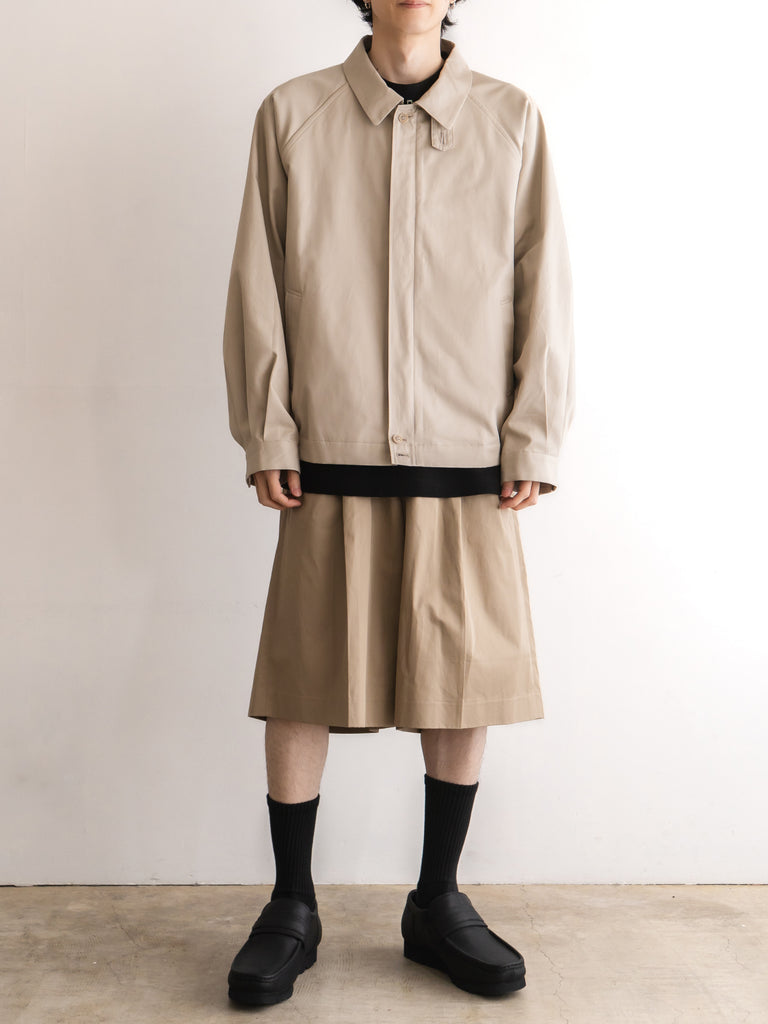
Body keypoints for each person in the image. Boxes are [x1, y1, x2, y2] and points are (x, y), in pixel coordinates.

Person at [222, 0, 575, 1007]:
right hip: (327, 450)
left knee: (461, 680)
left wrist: (533, 432)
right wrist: (268, 429)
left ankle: (438, 899)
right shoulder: (292, 115)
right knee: (302, 676)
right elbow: (258, 282)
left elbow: (544, 283)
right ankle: (291, 903)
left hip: (470, 454)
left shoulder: (511, 119)